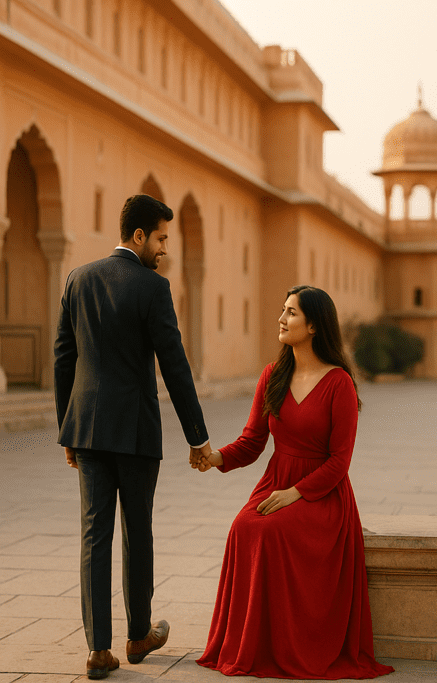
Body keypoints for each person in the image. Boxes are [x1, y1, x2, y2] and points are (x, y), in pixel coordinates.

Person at [193, 285, 393, 679]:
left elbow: (340, 461)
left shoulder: (339, 383)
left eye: (291, 313)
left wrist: (296, 494)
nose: (281, 320)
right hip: (276, 481)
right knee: (244, 527)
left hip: (322, 494)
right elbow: (252, 441)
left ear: (314, 326)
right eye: (283, 311)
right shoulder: (273, 375)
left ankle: (288, 644)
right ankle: (255, 644)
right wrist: (215, 458)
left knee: (271, 532)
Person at [54, 194, 212, 679]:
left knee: (94, 535)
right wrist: (198, 436)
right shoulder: (152, 287)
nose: (164, 249)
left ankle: (98, 651)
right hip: (136, 431)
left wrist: (68, 431)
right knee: (137, 530)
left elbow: (63, 358)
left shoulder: (78, 279)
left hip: (87, 428)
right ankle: (139, 634)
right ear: (139, 236)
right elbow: (174, 364)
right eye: (161, 238)